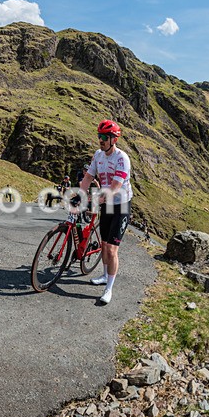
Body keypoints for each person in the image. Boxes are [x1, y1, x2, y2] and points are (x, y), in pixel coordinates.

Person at [78, 119, 133, 305]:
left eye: (104, 137)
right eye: (99, 136)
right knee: (103, 243)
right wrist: (80, 194)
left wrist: (97, 200)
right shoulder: (98, 155)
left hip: (121, 204)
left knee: (111, 249)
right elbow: (88, 177)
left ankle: (109, 288)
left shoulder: (122, 158)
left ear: (114, 139)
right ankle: (103, 275)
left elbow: (116, 187)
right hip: (106, 203)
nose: (100, 140)